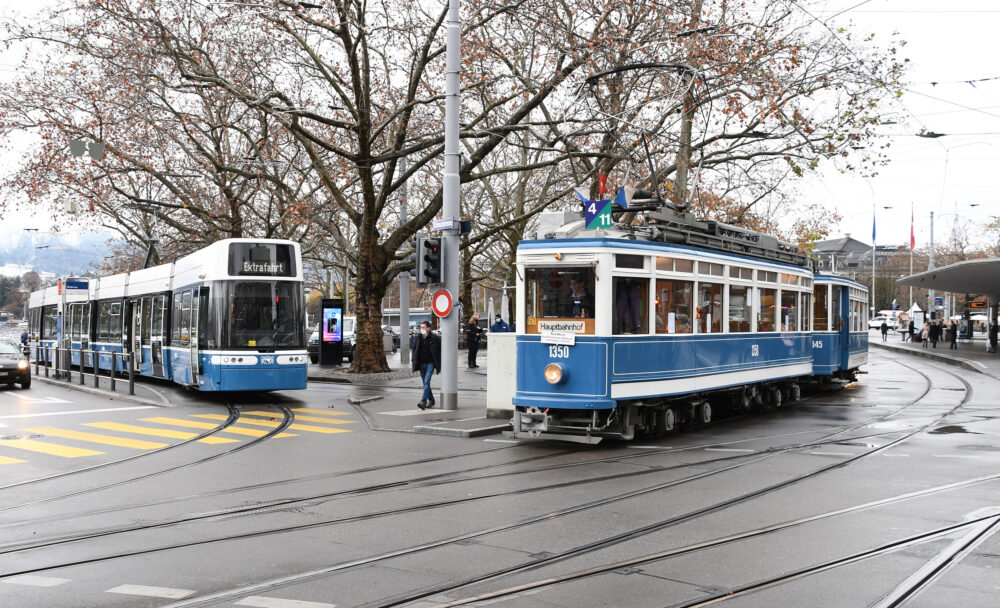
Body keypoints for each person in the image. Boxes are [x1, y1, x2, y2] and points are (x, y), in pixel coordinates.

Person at [411, 321, 441, 409]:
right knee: (425, 383)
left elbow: (440, 349)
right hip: (421, 363)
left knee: (427, 381)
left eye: (423, 327)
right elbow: (414, 349)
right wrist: (414, 360)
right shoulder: (418, 338)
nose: (422, 329)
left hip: (430, 363)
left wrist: (439, 361)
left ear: (428, 328)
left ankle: (423, 401)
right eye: (421, 327)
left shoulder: (435, 338)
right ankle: (431, 400)